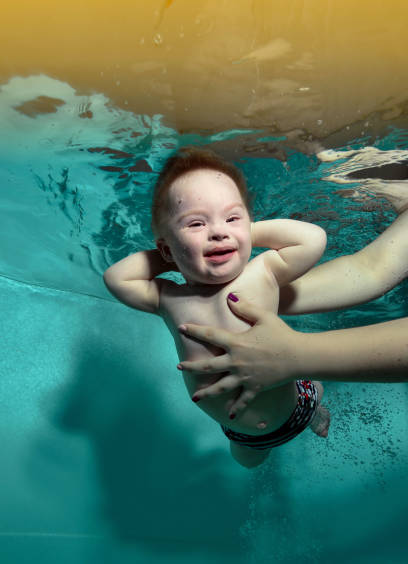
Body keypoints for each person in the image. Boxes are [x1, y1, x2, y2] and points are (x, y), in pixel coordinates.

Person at [103, 147, 330, 468]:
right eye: (196, 224)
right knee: (249, 463)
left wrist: (242, 232)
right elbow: (116, 278)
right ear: (166, 247)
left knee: (314, 398)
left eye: (232, 217)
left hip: (296, 406)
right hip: (243, 435)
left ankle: (317, 408)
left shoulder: (262, 271)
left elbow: (313, 238)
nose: (218, 231)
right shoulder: (169, 298)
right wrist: (173, 250)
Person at [176, 182, 408, 418]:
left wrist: (296, 355)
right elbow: (371, 270)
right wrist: (257, 290)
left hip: (293, 403)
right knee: (247, 455)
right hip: (249, 427)